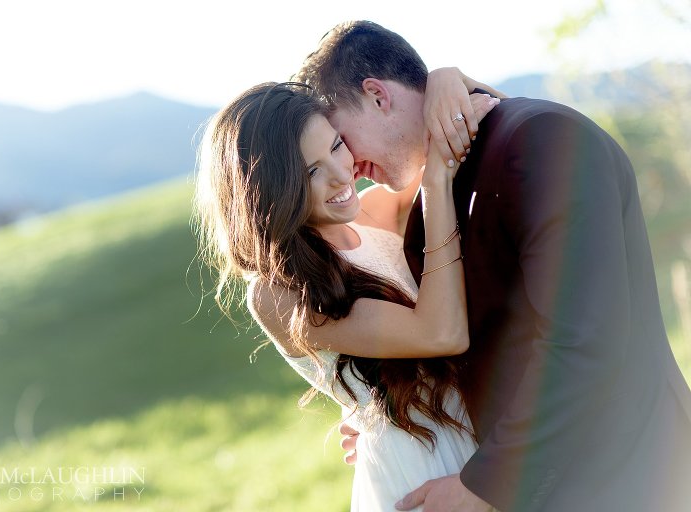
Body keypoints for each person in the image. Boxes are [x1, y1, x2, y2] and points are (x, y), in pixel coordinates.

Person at [294, 20, 691, 512]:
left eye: (341, 139)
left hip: (628, 477)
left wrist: (488, 484)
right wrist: (394, 414)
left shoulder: (542, 139)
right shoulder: (425, 209)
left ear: (377, 96)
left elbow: (585, 338)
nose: (348, 165)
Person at [194, 80, 499, 511]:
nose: (342, 175)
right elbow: (441, 334)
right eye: (311, 171)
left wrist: (444, 78)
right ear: (268, 192)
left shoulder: (375, 213)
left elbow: (474, 133)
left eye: (337, 146)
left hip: (478, 446)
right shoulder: (276, 292)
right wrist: (434, 187)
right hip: (419, 474)